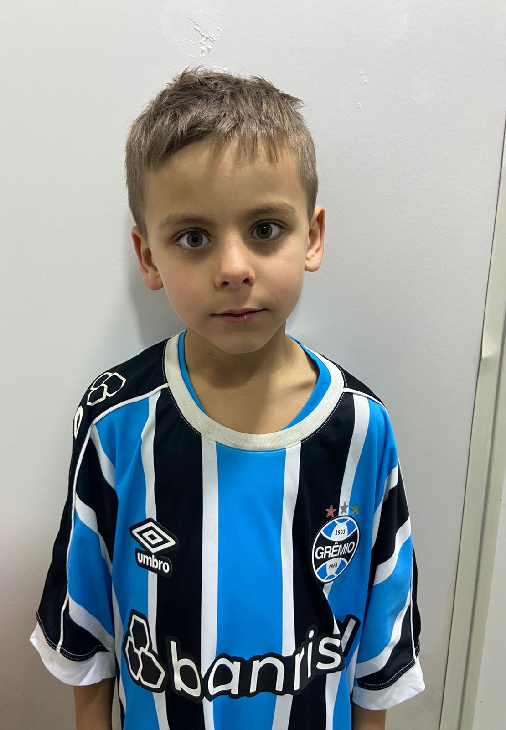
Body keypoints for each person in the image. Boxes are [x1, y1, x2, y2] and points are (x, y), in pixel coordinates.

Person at [30, 66, 425, 730]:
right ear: (148, 257)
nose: (234, 268)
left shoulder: (362, 429)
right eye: (193, 237)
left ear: (312, 237)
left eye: (265, 229)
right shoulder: (114, 422)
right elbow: (86, 640)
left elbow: (375, 667)